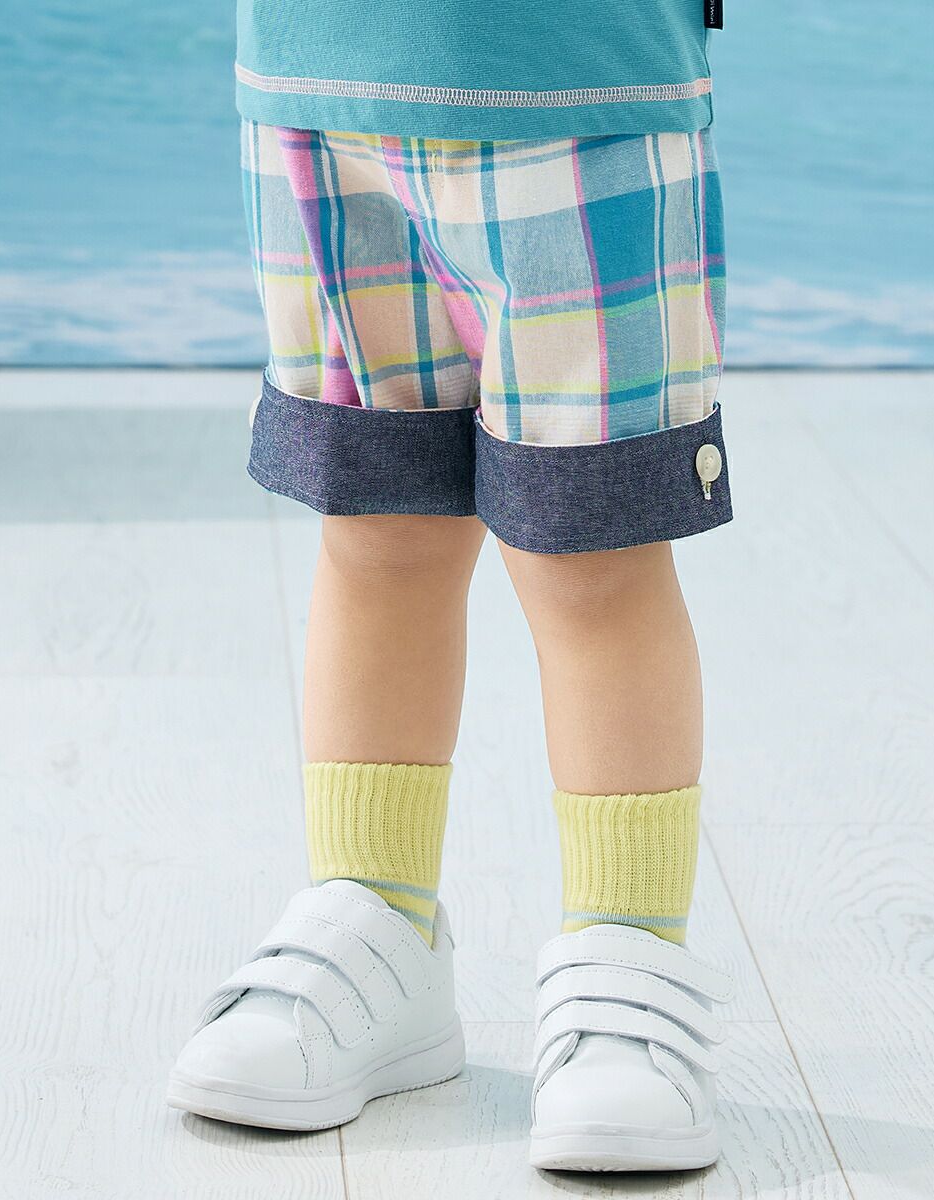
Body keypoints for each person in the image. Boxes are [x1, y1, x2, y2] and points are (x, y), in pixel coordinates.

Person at [168, 0, 734, 1172]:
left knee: (592, 550)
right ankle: (378, 920)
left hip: (581, 86)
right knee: (376, 527)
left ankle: (627, 957)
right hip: (316, 87)